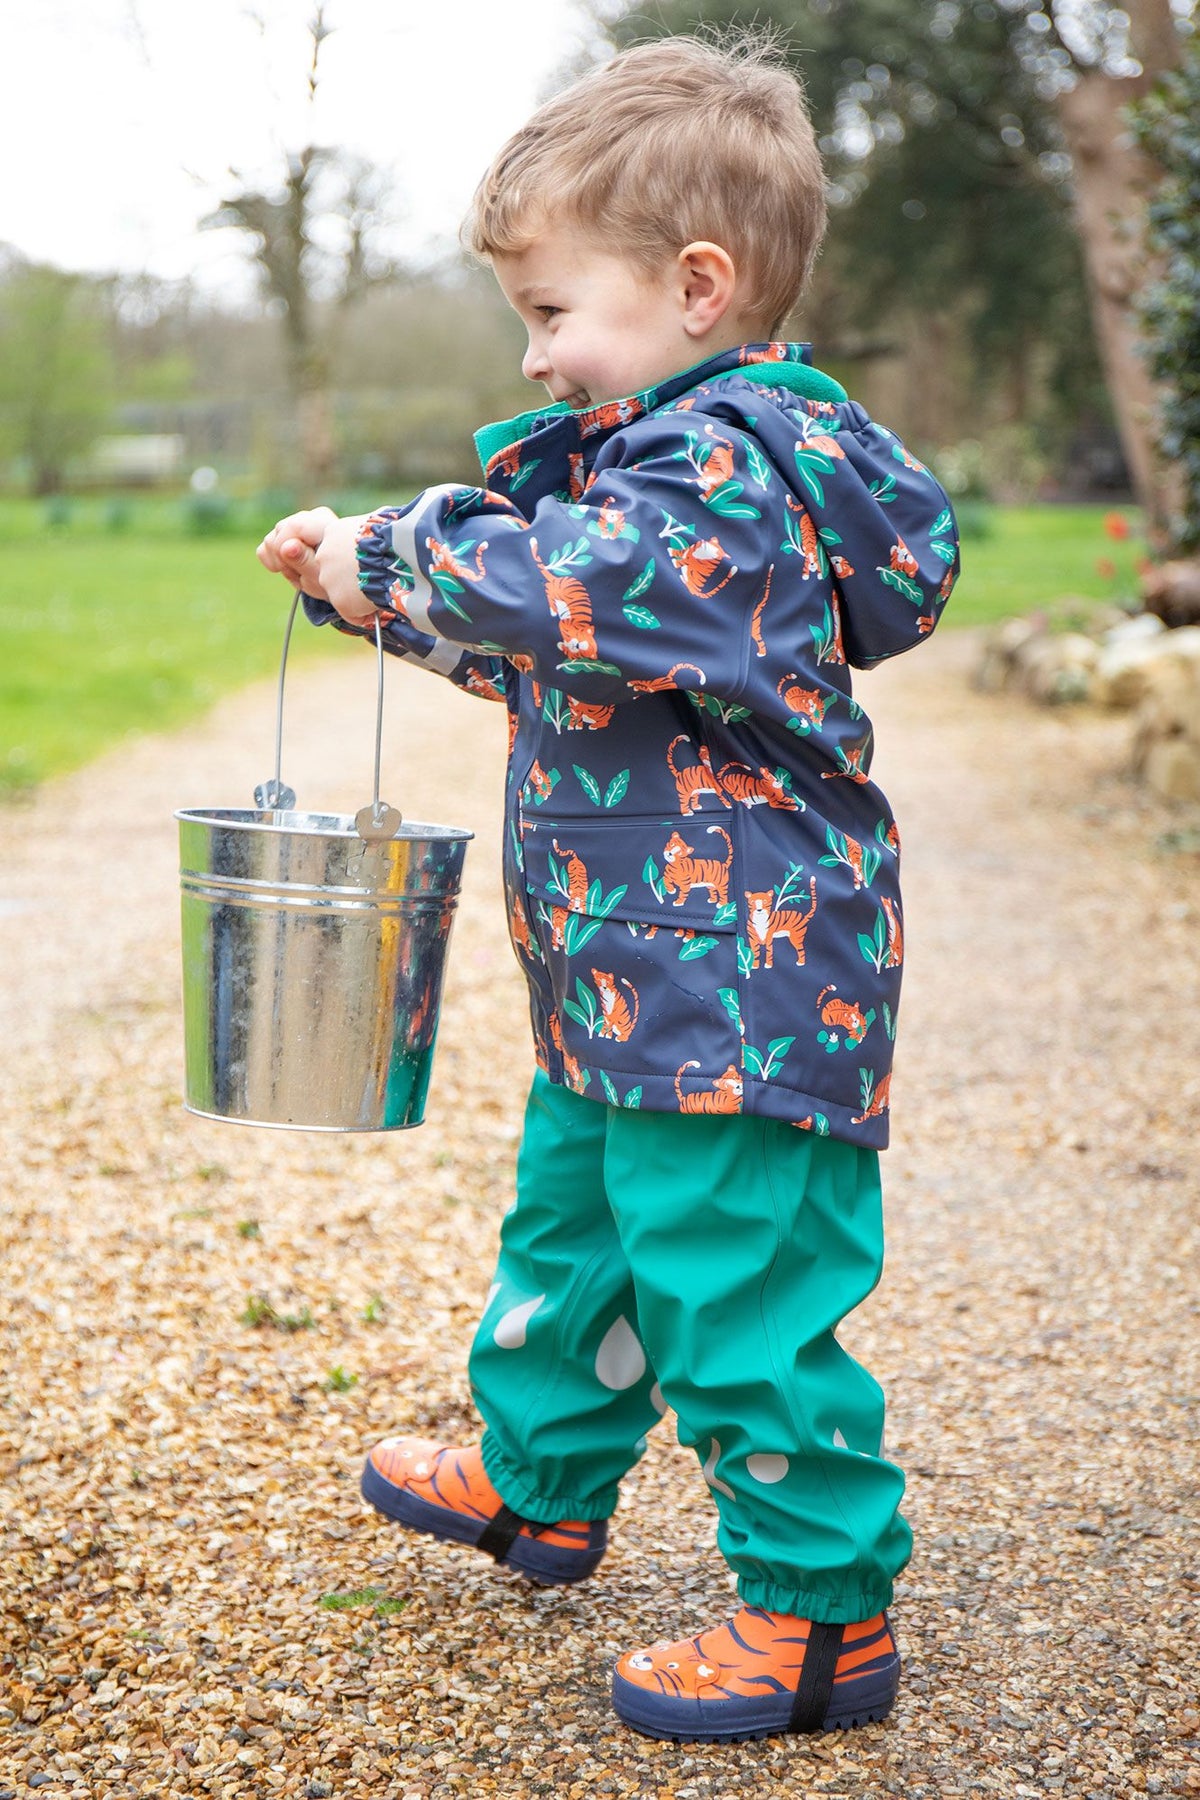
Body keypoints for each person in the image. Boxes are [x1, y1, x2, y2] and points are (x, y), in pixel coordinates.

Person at [257, 33, 959, 1745]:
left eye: (555, 310)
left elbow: (584, 578)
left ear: (698, 286)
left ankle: (819, 1619)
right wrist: (379, 606)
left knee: (735, 1289)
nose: (534, 351)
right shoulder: (656, 465)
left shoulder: (729, 468)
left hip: (743, 990)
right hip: (624, 980)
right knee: (574, 1244)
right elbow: (560, 655)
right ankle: (542, 1486)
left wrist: (403, 547)